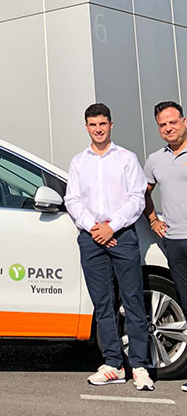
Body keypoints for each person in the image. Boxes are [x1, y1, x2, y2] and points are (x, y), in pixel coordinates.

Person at [64, 103, 154, 391]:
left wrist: (111, 227)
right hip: (91, 238)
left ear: (111, 125)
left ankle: (140, 365)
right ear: (87, 127)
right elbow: (72, 199)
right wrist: (95, 227)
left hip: (122, 235)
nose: (98, 129)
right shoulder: (79, 162)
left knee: (133, 302)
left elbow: (137, 198)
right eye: (93, 124)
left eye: (102, 123)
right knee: (103, 304)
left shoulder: (126, 159)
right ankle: (113, 364)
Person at [143, 100, 187, 393]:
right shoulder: (155, 160)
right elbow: (144, 193)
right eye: (162, 124)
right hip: (174, 241)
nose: (168, 128)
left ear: (184, 121)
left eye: (172, 122)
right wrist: (153, 220)